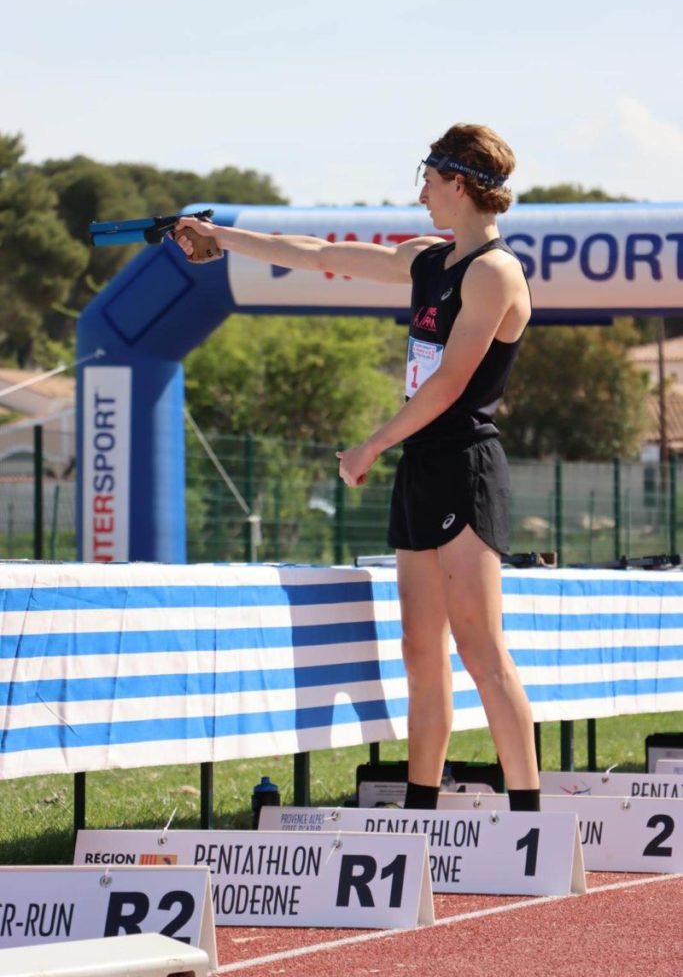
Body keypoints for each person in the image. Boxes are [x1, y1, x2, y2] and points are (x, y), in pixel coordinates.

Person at [174, 122, 540, 812]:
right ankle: (421, 810)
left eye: (428, 182)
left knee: (480, 652)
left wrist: (370, 444)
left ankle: (529, 818)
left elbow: (450, 383)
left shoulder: (494, 272)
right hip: (421, 468)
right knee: (418, 652)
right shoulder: (429, 257)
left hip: (464, 464)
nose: (421, 195)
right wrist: (222, 236)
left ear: (458, 184)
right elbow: (313, 254)